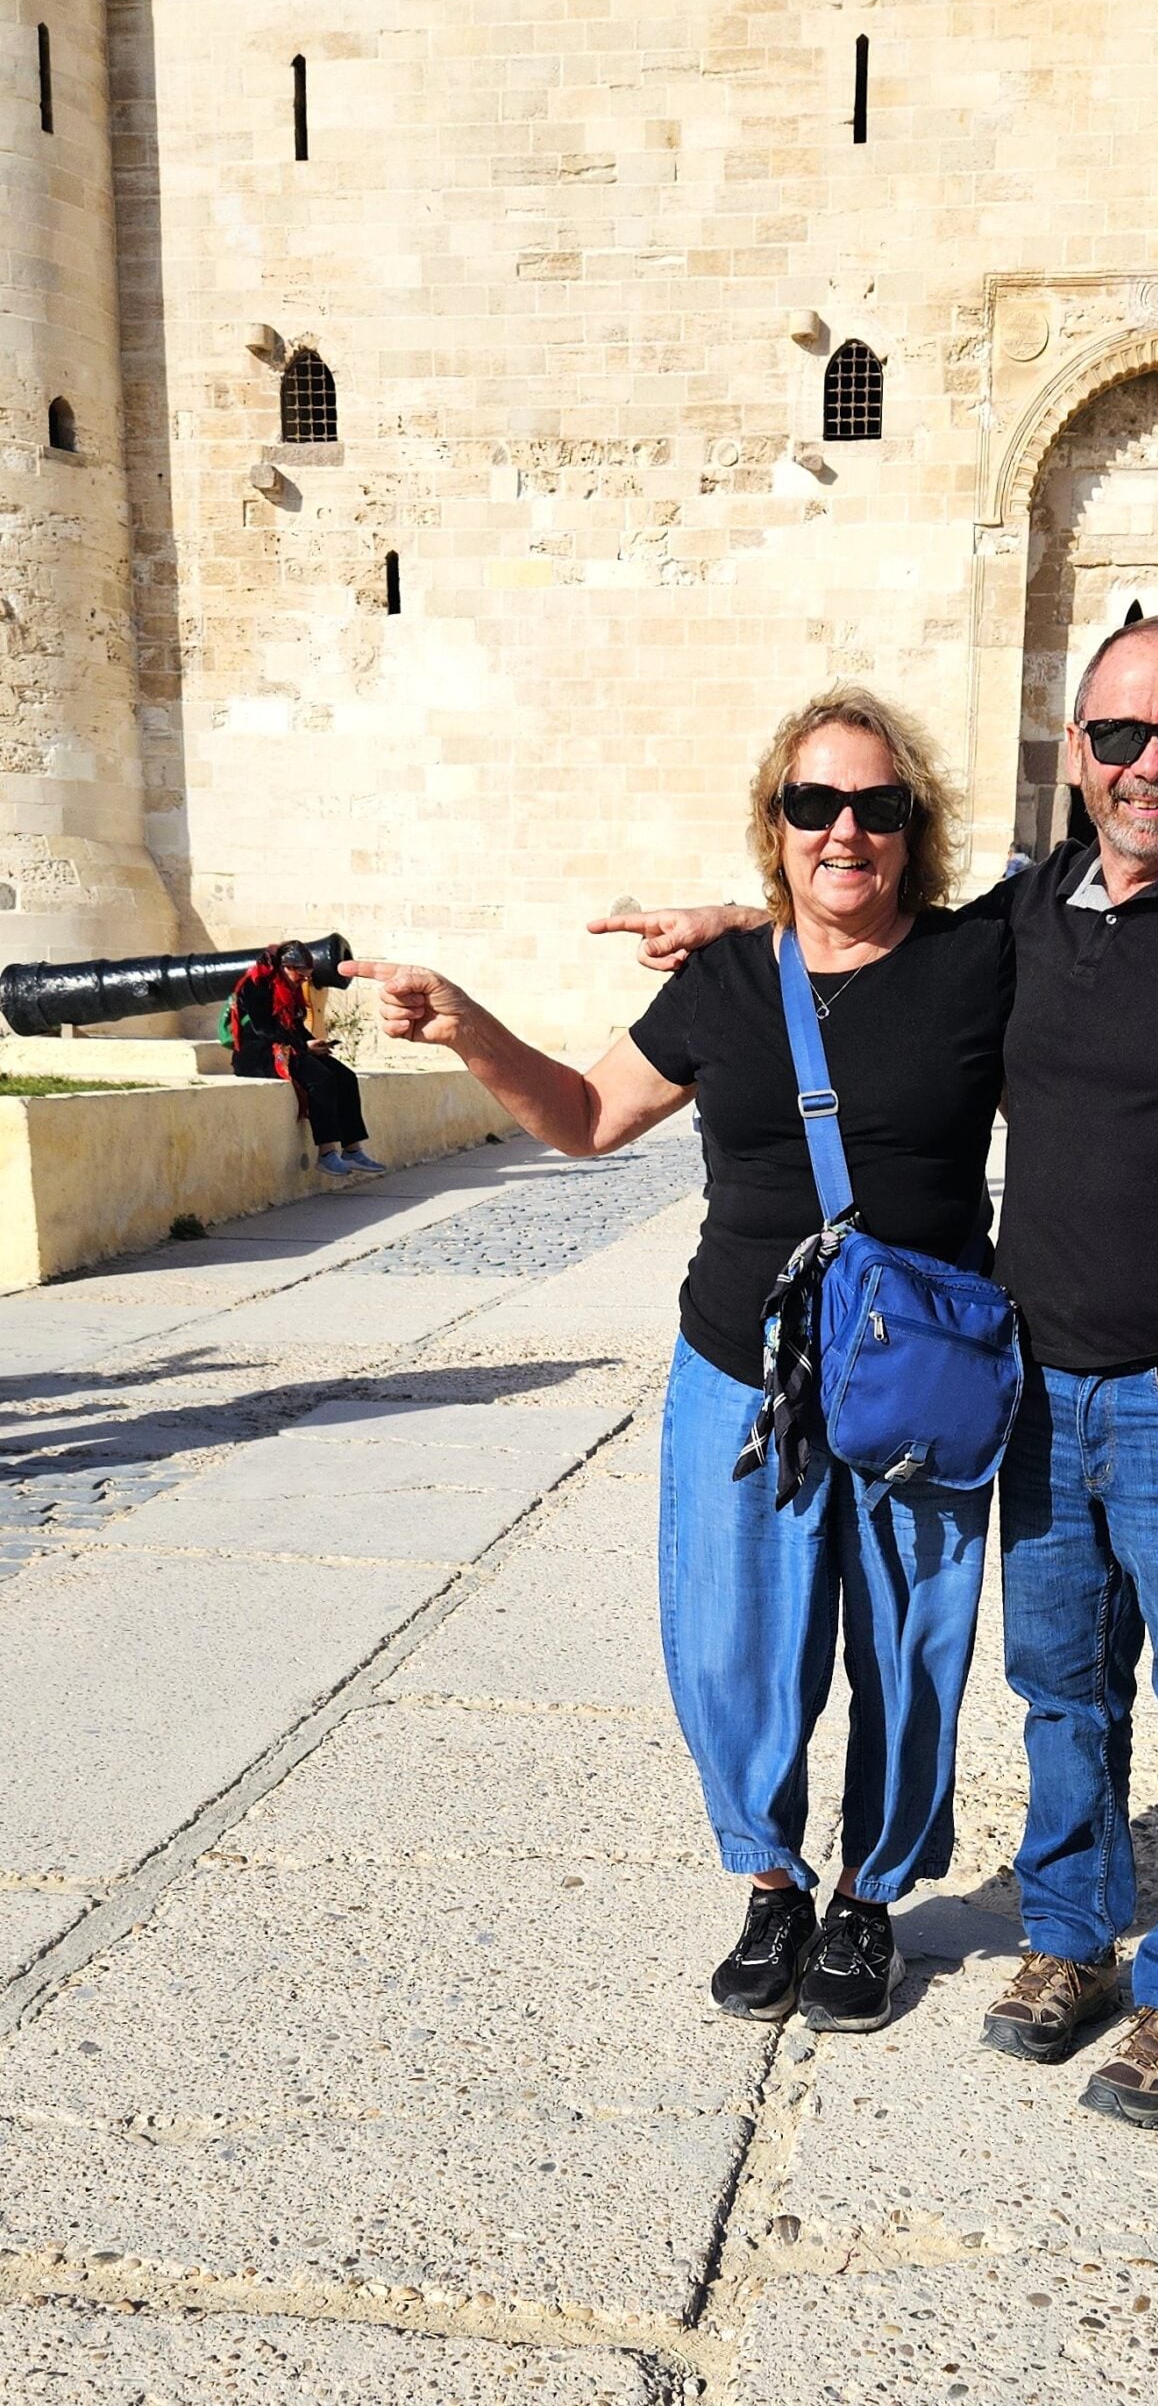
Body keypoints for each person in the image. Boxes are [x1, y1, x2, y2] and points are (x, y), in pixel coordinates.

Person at [599, 614, 1158, 2127]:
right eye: (1117, 738)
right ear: (1077, 757)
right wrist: (739, 919)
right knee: (1059, 1697)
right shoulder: (1038, 914)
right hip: (1034, 1389)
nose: (1147, 768)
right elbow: (857, 936)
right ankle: (1070, 1943)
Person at [347, 690, 1012, 2036]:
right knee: (729, 1649)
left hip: (920, 1372)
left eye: (877, 808)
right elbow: (589, 1118)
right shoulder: (722, 982)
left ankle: (872, 1904)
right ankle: (771, 1883)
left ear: (914, 829)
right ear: (774, 825)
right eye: (813, 804)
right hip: (744, 1366)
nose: (846, 831)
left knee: (908, 1649)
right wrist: (472, 1027)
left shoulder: (979, 965)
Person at [229, 940, 383, 1177]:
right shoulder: (256, 985)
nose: (303, 982)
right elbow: (263, 1029)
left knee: (345, 1077)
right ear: (286, 968)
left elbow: (295, 1026)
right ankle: (327, 1152)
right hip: (258, 1053)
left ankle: (352, 1149)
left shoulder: (289, 991)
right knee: (321, 1079)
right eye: (301, 976)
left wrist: (315, 1044)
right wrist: (303, 1046)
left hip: (289, 1047)